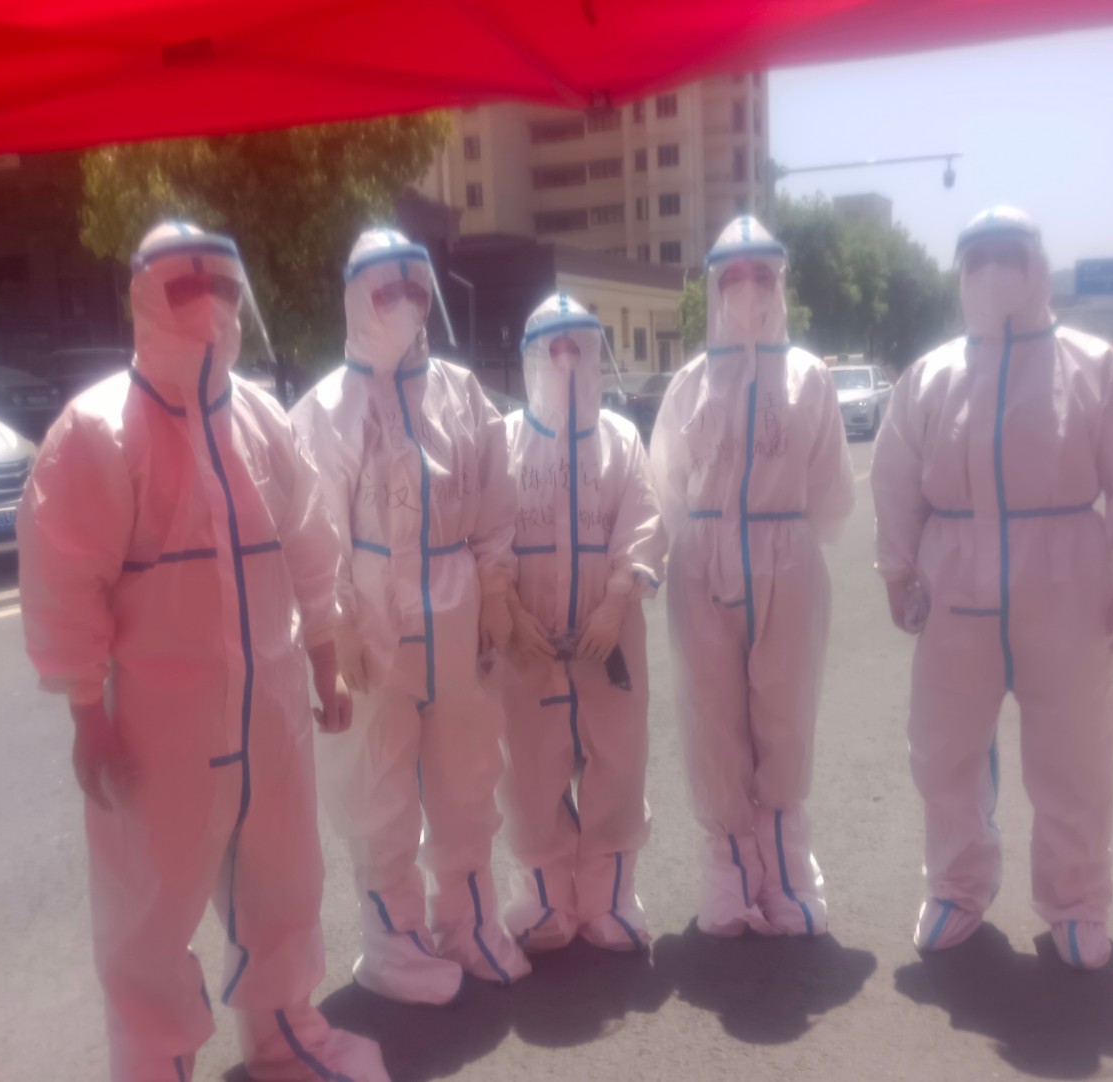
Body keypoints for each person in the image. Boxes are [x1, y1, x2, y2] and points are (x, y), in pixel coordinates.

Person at [19, 222, 388, 1081]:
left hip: (270, 712)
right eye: (188, 288)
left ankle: (286, 1034)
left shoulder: (257, 419)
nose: (211, 306)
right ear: (145, 296)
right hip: (159, 727)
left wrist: (325, 659)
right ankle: (153, 1063)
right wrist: (86, 715)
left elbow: (309, 543)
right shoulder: (98, 432)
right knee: (148, 905)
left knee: (284, 881)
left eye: (224, 287)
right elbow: (65, 582)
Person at [871, 206, 1113, 971]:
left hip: (1066, 581)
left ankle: (1076, 902)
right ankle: (955, 887)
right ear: (960, 272)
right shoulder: (932, 376)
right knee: (945, 749)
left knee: (1074, 753)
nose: (993, 271)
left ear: (1037, 264)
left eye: (1008, 254)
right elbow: (895, 481)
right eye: (978, 258)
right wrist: (896, 569)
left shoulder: (1094, 367)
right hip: (955, 585)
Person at [291, 228, 531, 1005]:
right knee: (378, 784)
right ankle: (392, 944)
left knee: (469, 771)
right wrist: (336, 624)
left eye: (414, 288)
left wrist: (497, 587)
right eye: (384, 291)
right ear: (356, 297)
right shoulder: (328, 408)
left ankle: (468, 922)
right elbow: (310, 526)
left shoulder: (462, 392)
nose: (402, 305)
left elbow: (496, 498)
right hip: (373, 615)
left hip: (456, 603)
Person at [648, 216, 856, 938]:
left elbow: (831, 484)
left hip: (786, 553)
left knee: (785, 711)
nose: (746, 288)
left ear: (779, 282)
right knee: (712, 716)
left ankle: (788, 866)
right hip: (702, 559)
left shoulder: (809, 378)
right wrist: (699, 542)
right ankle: (729, 868)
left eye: (760, 274)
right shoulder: (689, 383)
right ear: (713, 285)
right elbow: (667, 481)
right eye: (732, 275)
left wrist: (785, 542)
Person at [496, 294, 666, 953]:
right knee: (529, 771)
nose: (566, 361)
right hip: (529, 648)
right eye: (553, 349)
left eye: (578, 348)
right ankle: (543, 898)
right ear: (531, 357)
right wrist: (510, 613)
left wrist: (616, 602)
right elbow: (487, 534)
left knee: (617, 764)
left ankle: (611, 897)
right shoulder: (505, 442)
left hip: (606, 641)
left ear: (596, 355)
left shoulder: (620, 439)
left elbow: (643, 523)